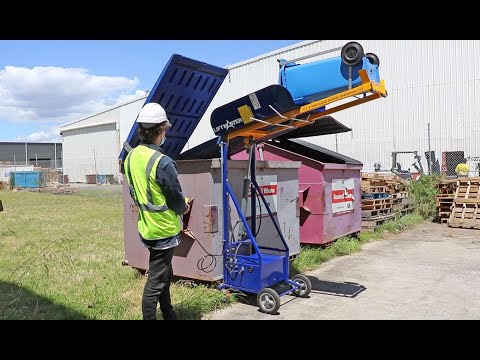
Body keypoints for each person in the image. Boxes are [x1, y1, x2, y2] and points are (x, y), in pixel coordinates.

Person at [124, 102, 190, 320]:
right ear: (161, 129)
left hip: (146, 227)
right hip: (163, 229)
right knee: (156, 281)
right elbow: (176, 201)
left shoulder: (130, 157)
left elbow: (136, 191)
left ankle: (169, 313)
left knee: (164, 273)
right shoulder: (163, 162)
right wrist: (184, 206)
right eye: (165, 130)